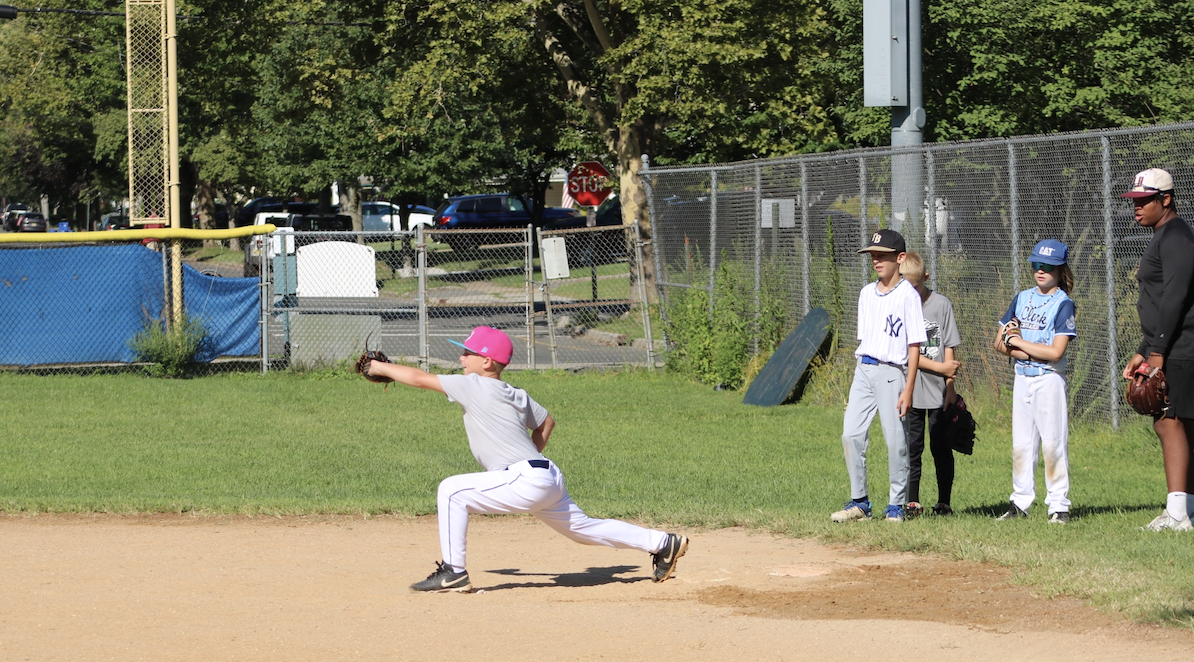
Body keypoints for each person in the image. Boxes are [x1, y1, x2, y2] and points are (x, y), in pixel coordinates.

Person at [362, 326, 689, 592]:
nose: (461, 357)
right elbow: (547, 423)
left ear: (487, 363)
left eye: (467, 352)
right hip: (545, 476)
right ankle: (663, 543)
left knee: (451, 490)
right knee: (582, 528)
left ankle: (454, 571)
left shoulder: (473, 385)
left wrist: (376, 367)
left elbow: (420, 378)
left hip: (524, 478)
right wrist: (530, 461)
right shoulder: (515, 392)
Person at [833, 229, 927, 523]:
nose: (876, 260)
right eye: (873, 254)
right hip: (864, 369)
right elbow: (867, 340)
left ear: (900, 258)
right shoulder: (866, 294)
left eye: (883, 255)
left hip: (891, 372)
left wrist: (908, 388)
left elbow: (914, 345)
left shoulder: (908, 296)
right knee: (851, 434)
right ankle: (859, 503)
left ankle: (896, 505)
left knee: (895, 440)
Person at [1120, 168, 1194, 532]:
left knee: (1168, 421)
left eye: (1144, 200)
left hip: (1182, 346)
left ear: (1166, 199)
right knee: (1180, 425)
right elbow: (1159, 300)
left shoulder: (1176, 236)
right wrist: (1144, 347)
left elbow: (1175, 297)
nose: (1137, 207)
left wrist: (1157, 353)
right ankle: (1186, 509)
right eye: (1134, 201)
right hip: (1171, 343)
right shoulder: (1165, 234)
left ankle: (1178, 513)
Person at [994, 239, 1077, 524]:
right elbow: (999, 343)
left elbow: (1055, 352)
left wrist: (1017, 342)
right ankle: (1020, 502)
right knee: (1021, 445)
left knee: (1053, 444)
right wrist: (1020, 345)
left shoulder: (1063, 303)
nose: (1040, 271)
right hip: (1023, 377)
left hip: (1048, 380)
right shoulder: (1022, 297)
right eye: (1036, 265)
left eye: (1048, 266)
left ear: (1059, 268)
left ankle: (1059, 506)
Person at [898, 252, 962, 518]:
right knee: (913, 447)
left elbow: (949, 348)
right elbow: (905, 354)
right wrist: (940, 368)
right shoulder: (899, 305)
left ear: (925, 278)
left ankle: (944, 502)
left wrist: (950, 386)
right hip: (911, 389)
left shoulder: (941, 304)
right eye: (905, 285)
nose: (910, 292)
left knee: (941, 448)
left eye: (915, 286)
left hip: (938, 392)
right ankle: (912, 501)